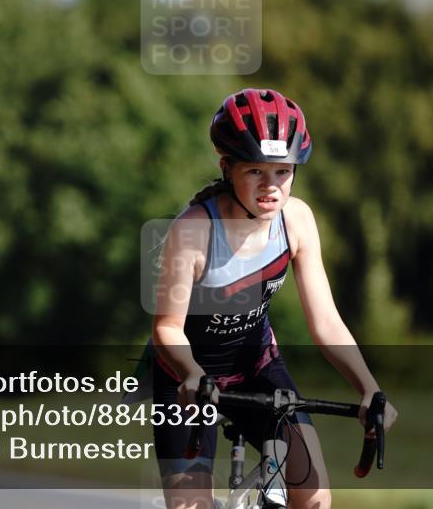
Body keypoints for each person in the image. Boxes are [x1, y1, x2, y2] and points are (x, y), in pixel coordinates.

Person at [150, 88, 398, 509]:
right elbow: (166, 327)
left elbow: (326, 323)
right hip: (187, 379)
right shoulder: (193, 232)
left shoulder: (297, 221)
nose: (271, 187)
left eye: (282, 172)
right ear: (227, 168)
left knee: (315, 498)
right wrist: (191, 373)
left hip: (257, 366)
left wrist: (369, 389)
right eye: (255, 172)